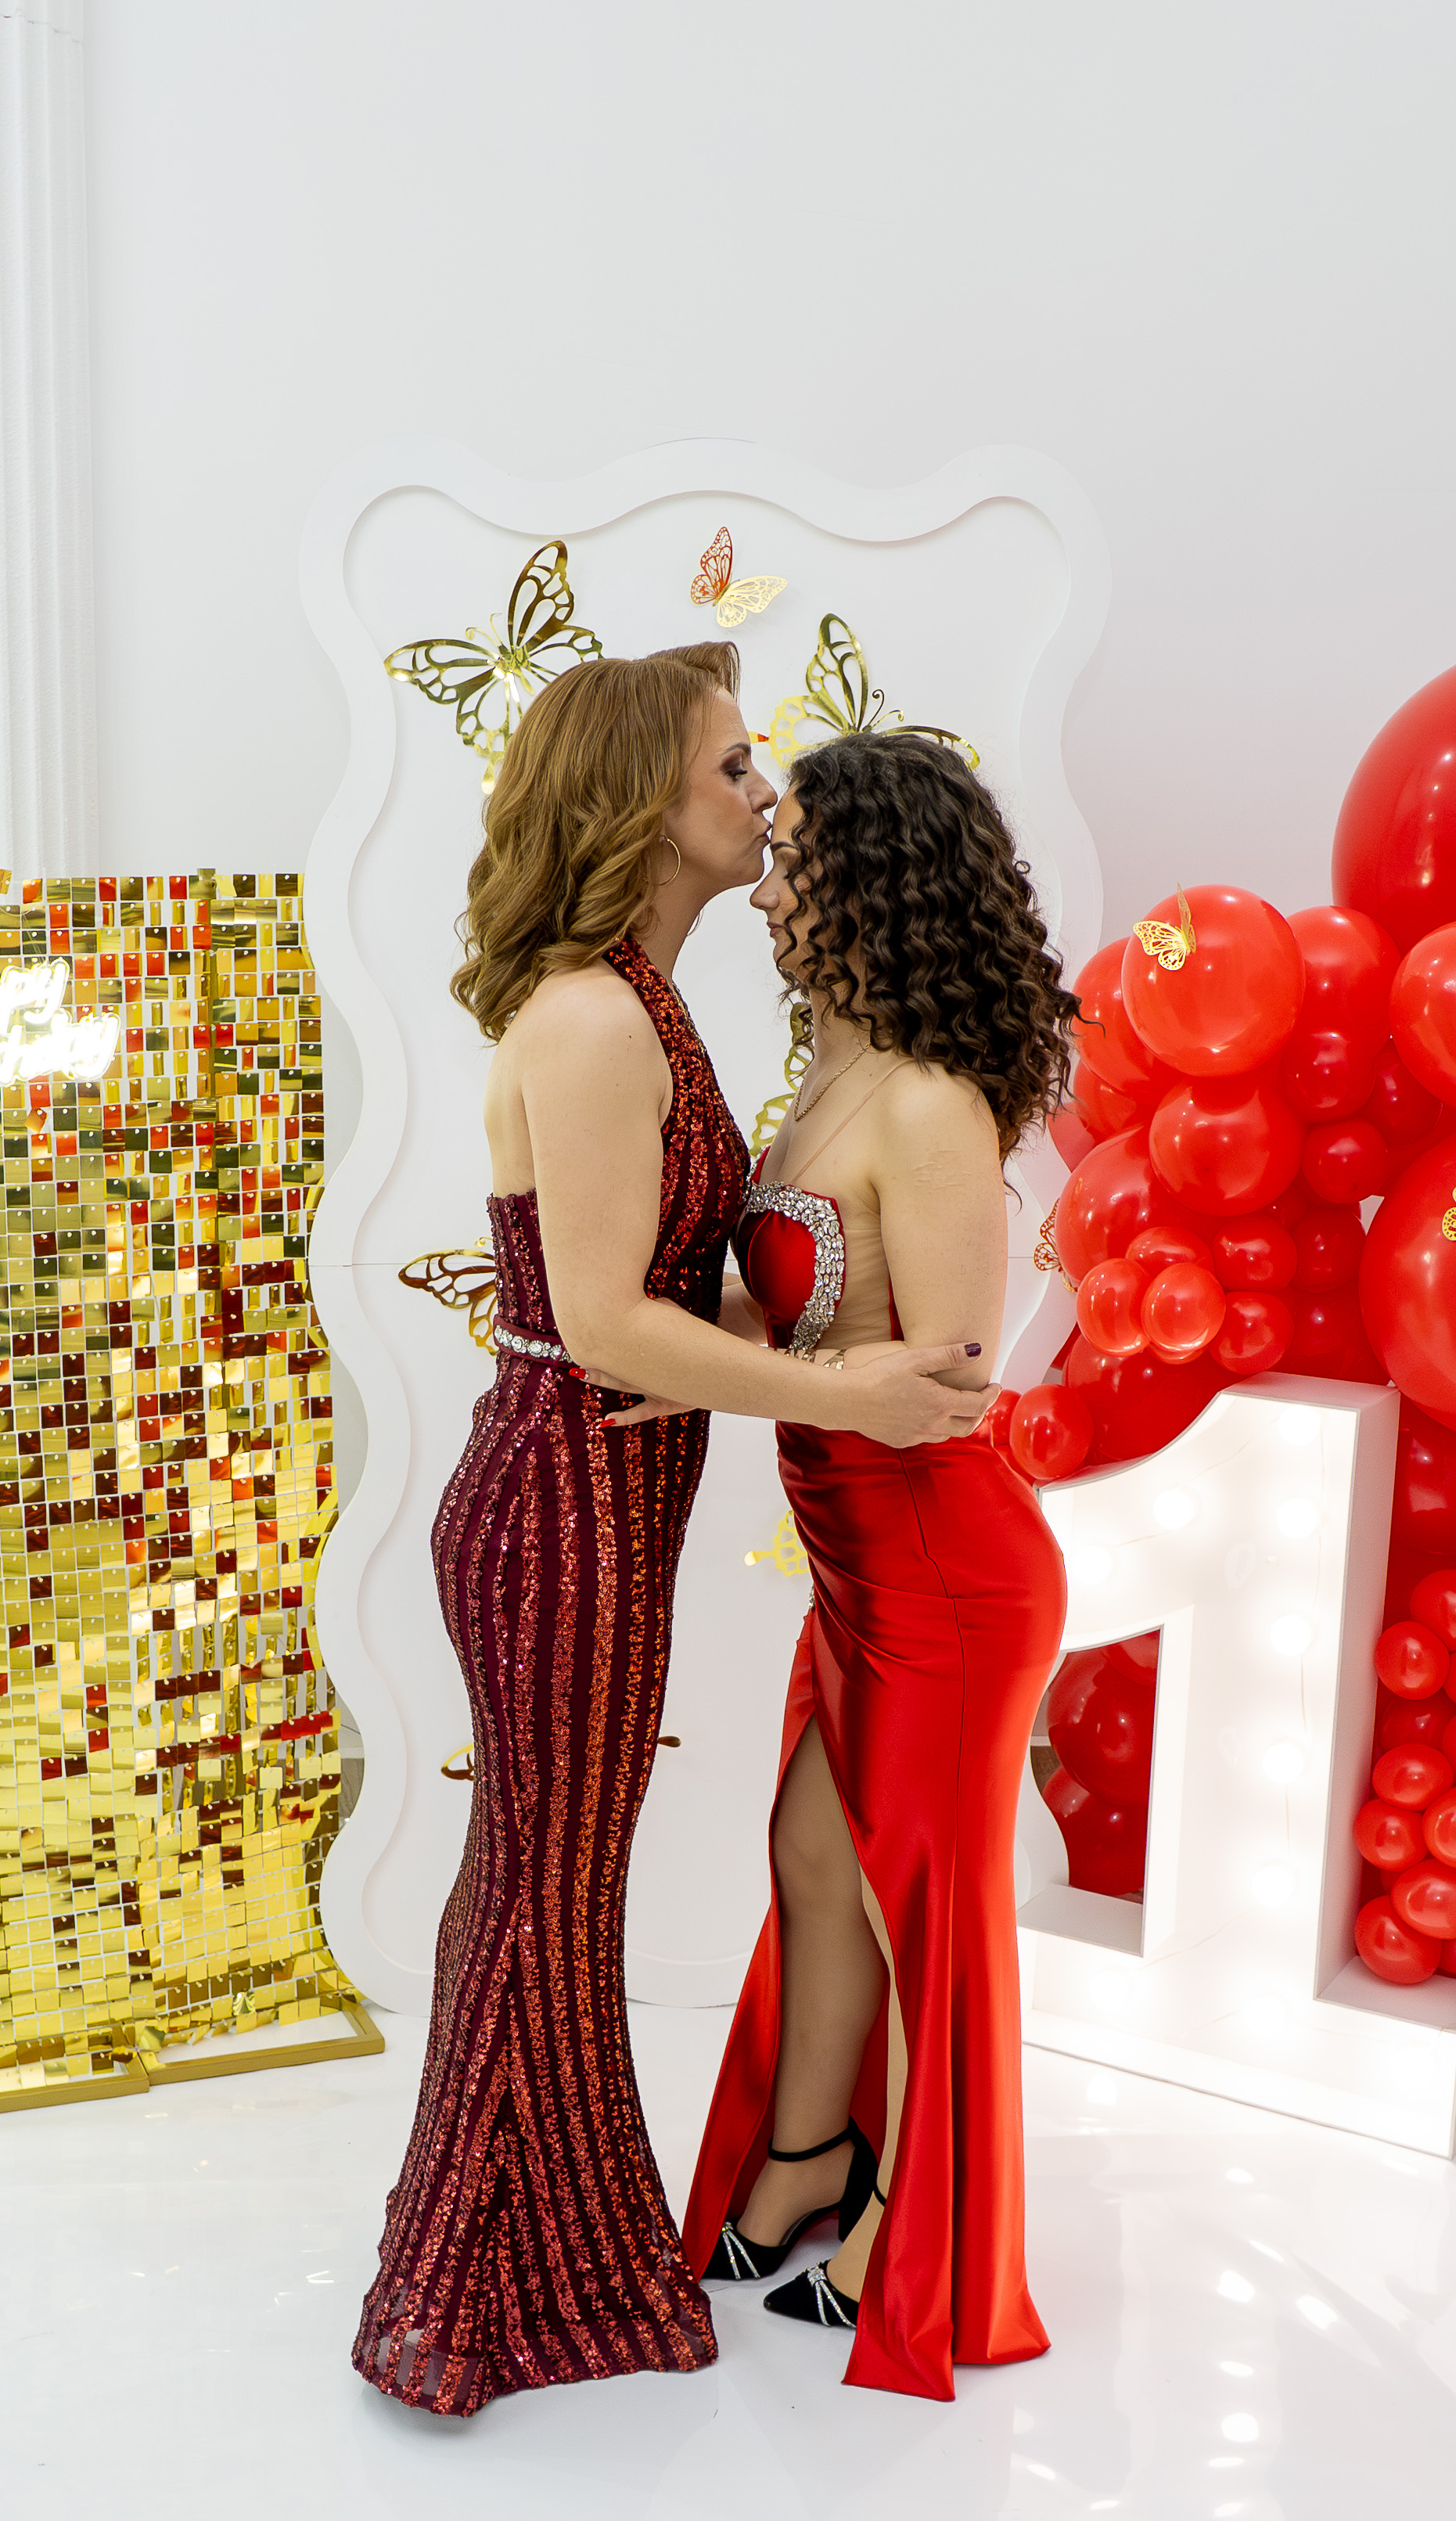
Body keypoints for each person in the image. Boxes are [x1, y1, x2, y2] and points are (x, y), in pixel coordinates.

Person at [351, 648, 994, 2419]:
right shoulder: (591, 1018)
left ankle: (548, 2254)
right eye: (731, 768)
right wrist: (832, 1388)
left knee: (555, 1894)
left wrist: (726, 1353)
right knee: (541, 1897)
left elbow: (647, 1307)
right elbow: (604, 1318)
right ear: (640, 800)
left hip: (606, 1491)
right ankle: (472, 2295)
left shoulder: (642, 1002)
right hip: (559, 1511)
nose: (763, 799)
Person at [679, 731, 1080, 2401]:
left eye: (794, 861)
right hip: (852, 1562)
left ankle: (923, 2230)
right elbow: (797, 1319)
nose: (766, 885)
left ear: (870, 881)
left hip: (942, 1569)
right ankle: (805, 2163)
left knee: (925, 1906)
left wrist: (724, 1370)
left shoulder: (924, 1099)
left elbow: (951, 1380)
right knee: (814, 1856)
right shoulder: (830, 1071)